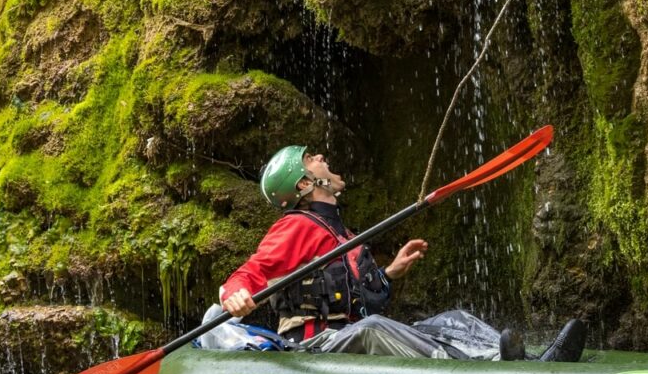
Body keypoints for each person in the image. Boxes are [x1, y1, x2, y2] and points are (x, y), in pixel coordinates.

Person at [219, 145, 585, 361]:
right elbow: (253, 270)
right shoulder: (296, 226)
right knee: (373, 328)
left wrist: (389, 272)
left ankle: (527, 361)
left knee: (450, 318)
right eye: (309, 158)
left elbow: (360, 297)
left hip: (347, 333)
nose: (319, 156)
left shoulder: (341, 232)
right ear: (305, 183)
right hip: (316, 348)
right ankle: (485, 369)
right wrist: (233, 294)